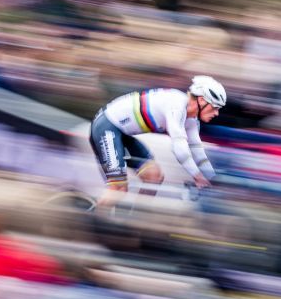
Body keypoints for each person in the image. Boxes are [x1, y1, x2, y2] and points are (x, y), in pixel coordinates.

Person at [89, 75, 225, 213]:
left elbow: (196, 149)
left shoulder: (191, 120)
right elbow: (179, 148)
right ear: (202, 100)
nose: (217, 113)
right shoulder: (176, 105)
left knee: (154, 177)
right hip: (107, 127)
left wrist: (212, 178)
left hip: (121, 132)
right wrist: (198, 176)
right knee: (119, 189)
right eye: (215, 107)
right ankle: (87, 218)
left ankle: (132, 219)